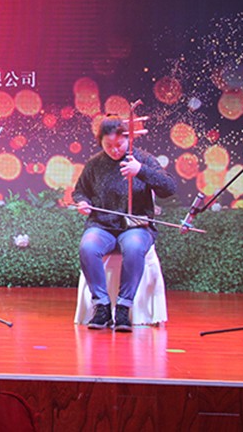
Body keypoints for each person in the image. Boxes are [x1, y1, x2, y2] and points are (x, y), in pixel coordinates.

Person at [72, 114, 176, 332]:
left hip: (135, 225)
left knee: (134, 246)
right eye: (108, 145)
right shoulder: (95, 164)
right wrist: (83, 202)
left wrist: (141, 171)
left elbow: (169, 188)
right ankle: (101, 305)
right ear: (100, 142)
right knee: (88, 247)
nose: (114, 150)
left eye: (119, 144)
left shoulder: (143, 159)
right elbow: (80, 191)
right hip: (102, 226)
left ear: (129, 139)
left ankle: (123, 306)